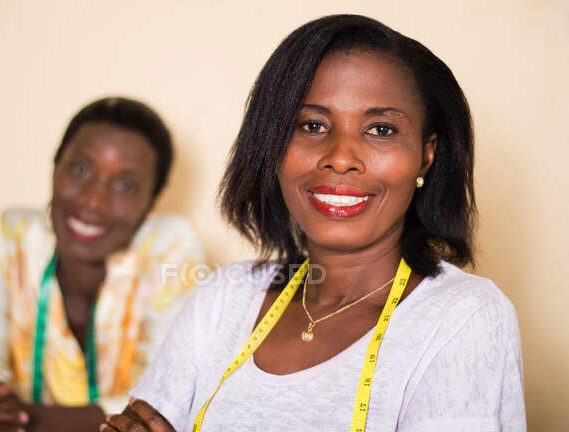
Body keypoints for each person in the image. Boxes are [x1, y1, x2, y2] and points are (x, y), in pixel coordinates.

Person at [103, 15, 525, 432]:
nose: (341, 157)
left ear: (425, 155)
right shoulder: (221, 300)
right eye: (312, 125)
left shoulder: (463, 317)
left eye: (380, 129)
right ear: (272, 145)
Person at [0, 97, 204, 432]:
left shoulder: (169, 245)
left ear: (152, 200)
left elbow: (166, 400)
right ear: (55, 165)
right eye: (80, 169)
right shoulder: (14, 235)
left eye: (125, 185)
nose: (93, 200)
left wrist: (25, 418)